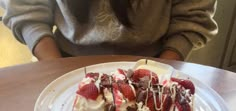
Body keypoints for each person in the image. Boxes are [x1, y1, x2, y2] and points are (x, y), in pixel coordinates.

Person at [0, 0, 218, 62]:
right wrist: (55, 70)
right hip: (61, 61)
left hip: (153, 63)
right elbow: (27, 13)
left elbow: (192, 17)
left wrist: (157, 76)